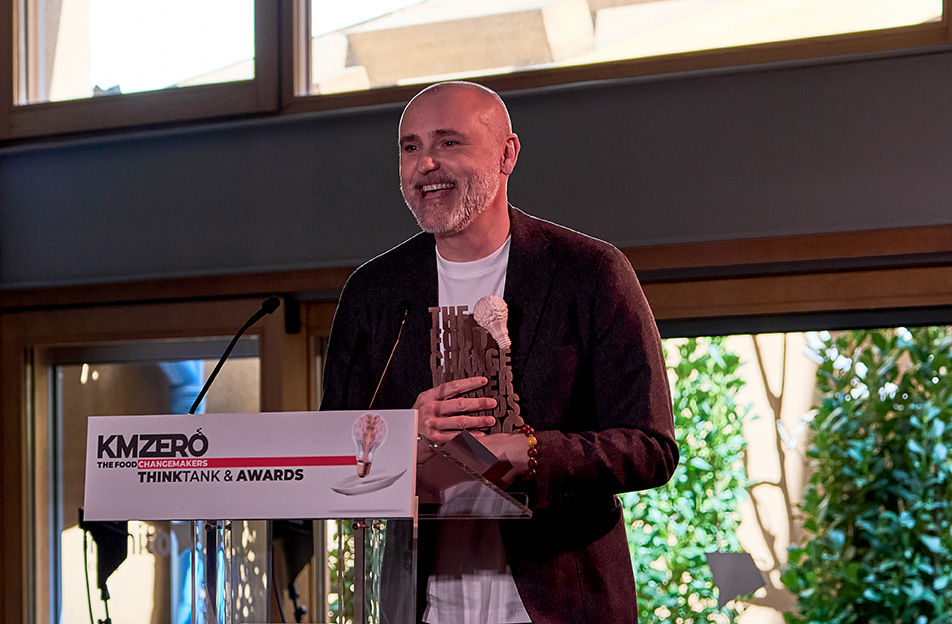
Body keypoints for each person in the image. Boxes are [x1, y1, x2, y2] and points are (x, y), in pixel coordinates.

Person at [320, 81, 678, 623]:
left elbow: (650, 447)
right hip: (419, 603)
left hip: (559, 601)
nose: (425, 164)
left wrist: (530, 453)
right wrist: (403, 432)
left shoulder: (590, 272)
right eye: (411, 147)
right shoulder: (373, 292)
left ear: (507, 154)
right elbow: (330, 449)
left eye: (449, 142)